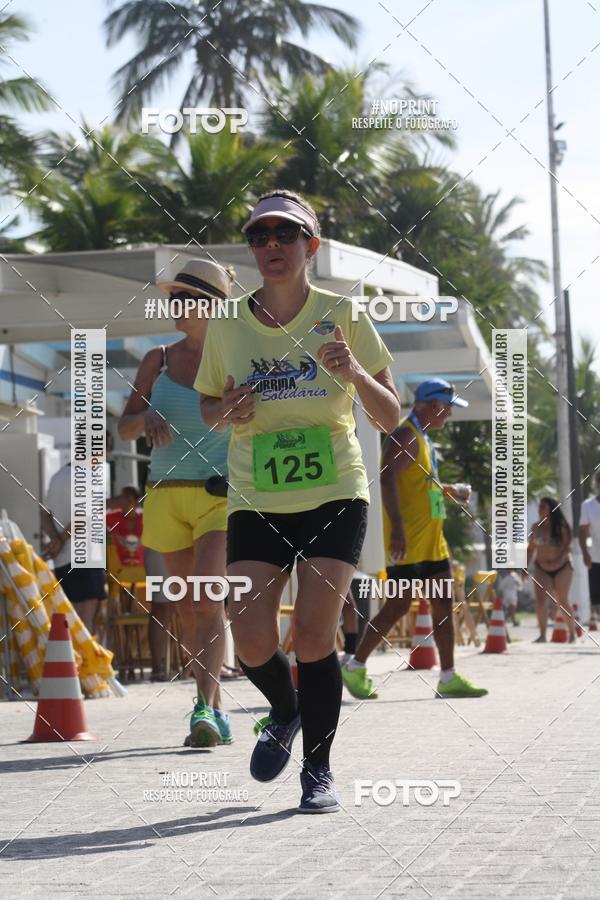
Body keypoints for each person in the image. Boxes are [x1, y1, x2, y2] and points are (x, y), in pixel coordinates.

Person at [195, 189, 399, 812]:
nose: (272, 246)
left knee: (314, 632)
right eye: (260, 237)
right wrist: (225, 409)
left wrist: (355, 375)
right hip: (256, 495)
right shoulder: (227, 323)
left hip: (335, 490)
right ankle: (284, 713)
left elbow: (391, 416)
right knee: (251, 637)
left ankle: (319, 771)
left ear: (311, 245)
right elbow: (208, 410)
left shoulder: (344, 313)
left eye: (286, 235)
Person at [118, 258, 236, 747]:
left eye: (183, 299)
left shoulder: (234, 360)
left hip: (219, 495)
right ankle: (215, 707)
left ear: (210, 306)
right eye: (172, 298)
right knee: (188, 607)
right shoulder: (157, 360)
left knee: (207, 596)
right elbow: (122, 427)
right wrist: (144, 421)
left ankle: (204, 710)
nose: (174, 307)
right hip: (164, 497)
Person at [342, 378, 488, 700]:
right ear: (434, 406)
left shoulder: (421, 436)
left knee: (443, 603)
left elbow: (416, 481)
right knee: (397, 605)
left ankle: (448, 675)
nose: (449, 415)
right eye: (447, 408)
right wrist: (397, 528)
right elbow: (388, 475)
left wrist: (448, 490)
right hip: (408, 543)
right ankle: (354, 665)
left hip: (430, 542)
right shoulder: (407, 435)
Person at [41, 462, 106, 633]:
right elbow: (83, 516)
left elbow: (44, 514)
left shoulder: (58, 477)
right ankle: (85, 659)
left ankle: (74, 658)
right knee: (86, 621)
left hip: (63, 559)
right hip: (86, 556)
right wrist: (61, 539)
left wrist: (56, 539)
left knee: (70, 620)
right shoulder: (88, 476)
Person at [527, 496, 576, 642]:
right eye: (539, 506)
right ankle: (542, 635)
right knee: (540, 600)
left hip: (562, 567)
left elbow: (568, 548)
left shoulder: (560, 526)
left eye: (544, 507)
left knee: (562, 600)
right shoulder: (536, 527)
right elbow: (530, 549)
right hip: (542, 567)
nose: (540, 509)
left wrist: (559, 560)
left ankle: (572, 633)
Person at [579, 469, 600, 624]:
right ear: (597, 483)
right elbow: (582, 532)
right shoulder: (588, 505)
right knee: (596, 600)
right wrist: (585, 553)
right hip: (596, 559)